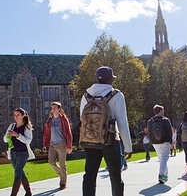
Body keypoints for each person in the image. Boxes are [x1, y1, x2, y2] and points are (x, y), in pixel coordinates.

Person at [80, 66, 132, 196]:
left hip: (90, 140)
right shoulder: (116, 95)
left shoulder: (86, 96)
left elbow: (83, 118)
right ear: (110, 79)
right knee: (115, 177)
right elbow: (122, 123)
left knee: (89, 176)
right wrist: (128, 147)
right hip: (110, 140)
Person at [4, 108, 35, 196]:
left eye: (18, 115)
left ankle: (13, 194)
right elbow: (4, 139)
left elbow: (28, 141)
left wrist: (17, 135)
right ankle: (28, 192)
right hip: (13, 153)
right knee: (21, 172)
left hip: (23, 153)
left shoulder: (27, 127)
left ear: (23, 116)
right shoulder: (11, 126)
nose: (16, 117)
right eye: (15, 115)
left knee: (17, 172)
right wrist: (8, 135)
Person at [42, 102, 73, 190]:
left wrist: (69, 145)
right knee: (51, 162)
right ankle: (63, 174)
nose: (53, 109)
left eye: (55, 108)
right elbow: (46, 133)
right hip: (52, 144)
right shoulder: (50, 120)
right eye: (52, 108)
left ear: (59, 109)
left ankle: (63, 183)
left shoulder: (63, 119)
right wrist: (44, 144)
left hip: (61, 143)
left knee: (62, 164)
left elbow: (68, 132)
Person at [147, 104, 173, 184]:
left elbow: (149, 133)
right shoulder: (165, 120)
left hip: (155, 142)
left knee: (161, 159)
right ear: (161, 111)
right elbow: (169, 131)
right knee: (164, 159)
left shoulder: (150, 121)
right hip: (165, 141)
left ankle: (165, 175)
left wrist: (152, 141)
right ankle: (161, 175)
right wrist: (170, 141)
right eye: (163, 110)